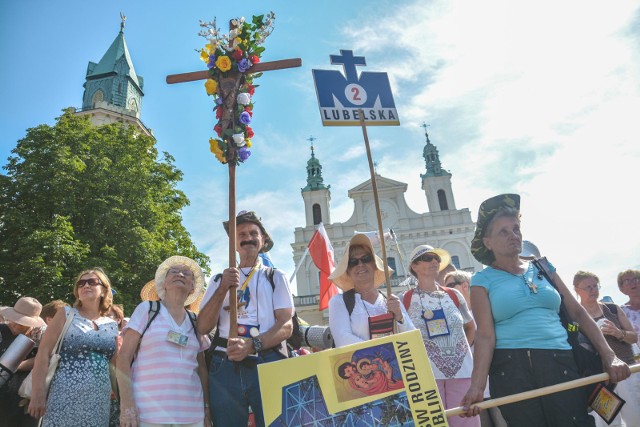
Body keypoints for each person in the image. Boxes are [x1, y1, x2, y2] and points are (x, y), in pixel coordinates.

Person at [460, 194, 630, 427]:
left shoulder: (544, 267)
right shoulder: (481, 280)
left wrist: (610, 355)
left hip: (560, 361)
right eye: (503, 231)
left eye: (516, 229)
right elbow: (485, 335)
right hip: (511, 369)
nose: (514, 236)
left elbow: (579, 313)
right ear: (487, 242)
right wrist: (476, 387)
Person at [197, 211, 294, 427]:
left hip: (267, 361)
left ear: (263, 240)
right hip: (224, 365)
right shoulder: (218, 279)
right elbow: (203, 326)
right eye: (240, 234)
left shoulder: (276, 277)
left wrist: (252, 345)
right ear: (233, 243)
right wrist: (223, 288)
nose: (247, 237)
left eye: (253, 233)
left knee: (275, 423)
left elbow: (286, 325)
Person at [117, 256, 210, 427]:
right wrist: (127, 406)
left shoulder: (196, 321)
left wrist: (206, 410)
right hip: (148, 414)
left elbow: (202, 368)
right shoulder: (147, 310)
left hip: (192, 416)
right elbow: (123, 357)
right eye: (173, 272)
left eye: (187, 274)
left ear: (192, 287)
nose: (180, 274)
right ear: (163, 283)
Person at [29, 268, 119, 427]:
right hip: (63, 396)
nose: (85, 285)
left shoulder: (112, 325)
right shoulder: (66, 313)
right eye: (81, 283)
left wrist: (121, 397)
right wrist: (37, 394)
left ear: (104, 290)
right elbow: (43, 353)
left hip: (99, 400)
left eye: (92, 282)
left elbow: (114, 365)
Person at [405, 245, 478, 427]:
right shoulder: (404, 299)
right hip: (426, 376)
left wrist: (462, 351)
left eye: (436, 258)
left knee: (466, 423)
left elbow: (471, 327)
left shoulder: (453, 294)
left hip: (462, 372)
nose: (434, 261)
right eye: (428, 257)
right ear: (414, 266)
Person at [574, 271, 639, 427]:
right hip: (598, 379)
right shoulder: (574, 317)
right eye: (587, 287)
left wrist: (619, 333)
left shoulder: (613, 309)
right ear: (576, 290)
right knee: (609, 424)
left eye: (595, 286)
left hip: (625, 372)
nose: (592, 290)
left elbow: (634, 337)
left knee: (636, 417)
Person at [445, 270, 508, 427]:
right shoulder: (454, 319)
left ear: (465, 286)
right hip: (472, 394)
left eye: (451, 285)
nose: (446, 290)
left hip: (496, 387)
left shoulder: (487, 313)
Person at [328, 234, 415, 347]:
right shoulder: (339, 302)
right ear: (348, 271)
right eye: (353, 262)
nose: (360, 265)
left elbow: (412, 337)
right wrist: (382, 352)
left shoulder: (391, 300)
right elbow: (342, 339)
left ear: (375, 265)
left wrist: (399, 316)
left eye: (366, 259)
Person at [0, 297, 47, 427]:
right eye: (14, 320)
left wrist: (18, 365)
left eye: (22, 322)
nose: (15, 325)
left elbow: (46, 358)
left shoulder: (42, 335)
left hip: (25, 397)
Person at [619, 269, 640, 337]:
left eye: (636, 279)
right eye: (627, 281)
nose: (633, 283)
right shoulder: (620, 311)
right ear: (622, 288)